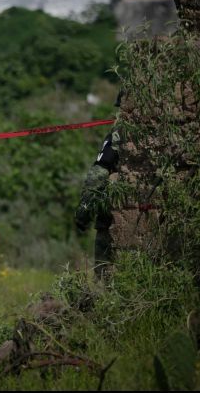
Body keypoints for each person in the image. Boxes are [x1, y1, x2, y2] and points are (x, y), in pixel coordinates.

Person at [75, 91, 122, 278]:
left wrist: (83, 213)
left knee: (105, 275)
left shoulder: (118, 132)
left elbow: (99, 172)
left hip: (114, 217)